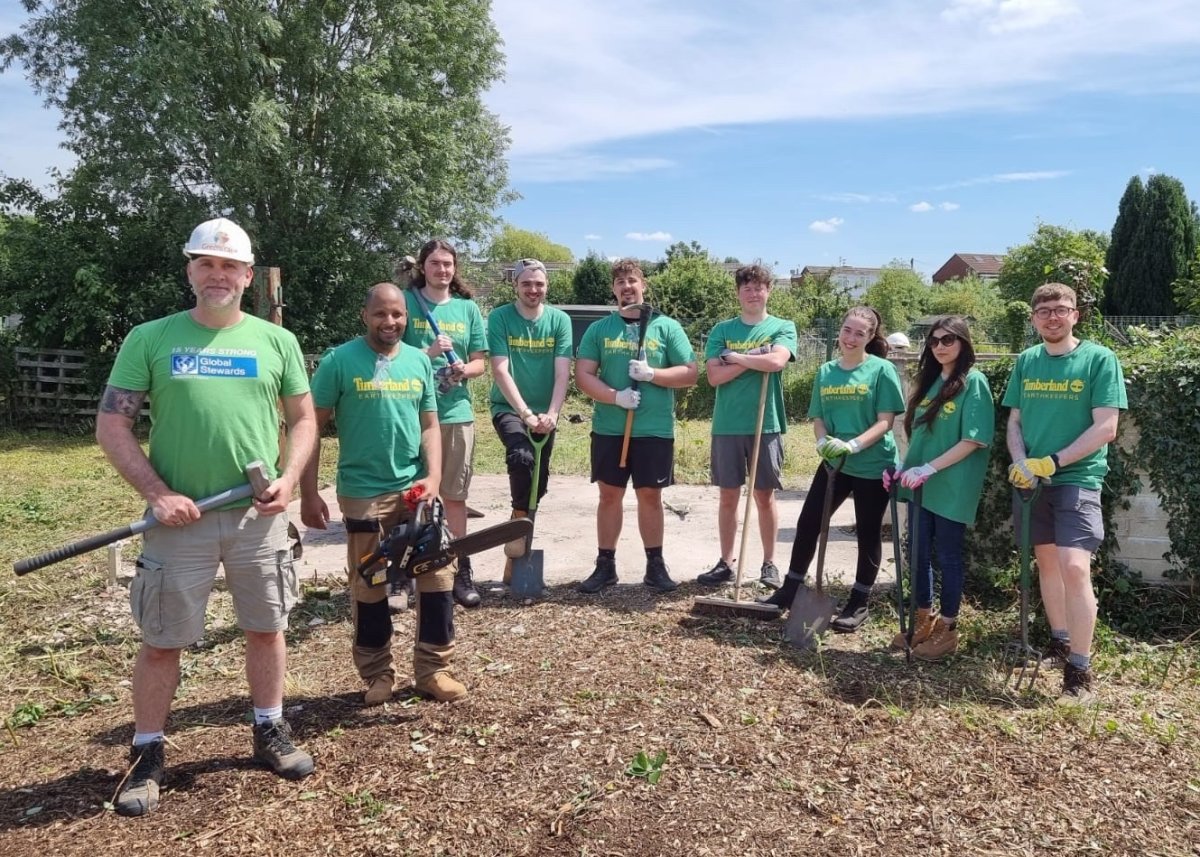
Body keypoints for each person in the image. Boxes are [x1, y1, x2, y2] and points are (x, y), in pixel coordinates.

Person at [95, 218, 317, 817]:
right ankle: (146, 752)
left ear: (248, 276)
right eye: (205, 263)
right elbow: (112, 423)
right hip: (178, 523)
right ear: (190, 270)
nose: (217, 274)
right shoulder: (151, 338)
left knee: (267, 627)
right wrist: (158, 493)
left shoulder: (277, 343)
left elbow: (302, 419)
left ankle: (269, 728)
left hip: (257, 518)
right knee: (163, 639)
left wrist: (290, 479)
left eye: (229, 266)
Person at [299, 282, 464, 706]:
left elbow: (430, 424)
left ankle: (433, 670)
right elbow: (309, 428)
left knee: (437, 577)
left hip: (415, 490)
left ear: (406, 318)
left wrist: (433, 477)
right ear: (365, 315)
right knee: (370, 584)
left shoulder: (417, 362)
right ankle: (377, 674)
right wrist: (308, 492)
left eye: (397, 315)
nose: (389, 322)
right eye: (381, 314)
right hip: (362, 494)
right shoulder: (338, 361)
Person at [1003, 283, 1126, 703]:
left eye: (1061, 309)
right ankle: (1058, 642)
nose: (1052, 317)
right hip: (1035, 482)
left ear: (1076, 314)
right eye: (1043, 311)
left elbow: (1107, 427)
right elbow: (1015, 421)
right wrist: (1022, 462)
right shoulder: (1028, 361)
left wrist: (1053, 462)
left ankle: (1080, 670)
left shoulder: (1098, 359)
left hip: (1077, 479)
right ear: (1034, 318)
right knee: (1048, 564)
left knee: (1075, 567)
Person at [760, 306, 904, 632]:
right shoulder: (826, 371)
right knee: (809, 521)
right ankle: (791, 589)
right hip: (834, 464)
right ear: (839, 331)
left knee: (868, 533)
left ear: (870, 337)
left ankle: (859, 600)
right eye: (847, 330)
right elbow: (819, 417)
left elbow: (886, 422)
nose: (850, 338)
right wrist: (823, 441)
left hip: (871, 463)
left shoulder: (881, 370)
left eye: (859, 333)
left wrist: (853, 445)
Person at [574, 259, 698, 593]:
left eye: (632, 280)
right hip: (610, 428)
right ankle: (605, 565)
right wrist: (615, 397)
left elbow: (690, 372)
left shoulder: (666, 327)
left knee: (650, 495)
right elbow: (583, 375)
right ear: (613, 289)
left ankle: (655, 566)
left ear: (643, 285)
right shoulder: (601, 329)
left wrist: (652, 375)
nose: (627, 287)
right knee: (609, 495)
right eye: (620, 282)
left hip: (654, 429)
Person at [884, 316, 994, 660]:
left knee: (947, 555)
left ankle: (948, 628)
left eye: (948, 340)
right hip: (920, 484)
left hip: (951, 484)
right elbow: (919, 437)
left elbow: (974, 439)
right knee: (917, 552)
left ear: (963, 343)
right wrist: (903, 468)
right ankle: (923, 619)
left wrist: (930, 468)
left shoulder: (973, 383)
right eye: (934, 341)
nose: (941, 347)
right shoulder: (930, 382)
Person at [696, 264, 797, 590]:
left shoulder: (783, 326)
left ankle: (769, 564)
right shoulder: (721, 330)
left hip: (765, 424)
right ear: (738, 293)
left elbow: (777, 362)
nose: (754, 293)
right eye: (747, 288)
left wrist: (734, 357)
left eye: (759, 288)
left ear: (768, 291)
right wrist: (752, 356)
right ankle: (726, 562)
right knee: (728, 496)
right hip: (727, 425)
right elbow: (713, 377)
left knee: (763, 495)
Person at [400, 240, 488, 608]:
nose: (442, 270)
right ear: (423, 266)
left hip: (455, 413)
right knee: (410, 495)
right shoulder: (405, 303)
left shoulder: (468, 308)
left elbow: (480, 362)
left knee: (455, 495)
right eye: (435, 263)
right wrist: (429, 354)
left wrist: (462, 368)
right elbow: (389, 353)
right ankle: (404, 572)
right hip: (410, 413)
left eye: (448, 264)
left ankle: (458, 569)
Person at [487, 259, 573, 585]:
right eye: (527, 284)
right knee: (522, 456)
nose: (533, 290)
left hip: (546, 413)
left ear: (546, 286)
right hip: (509, 407)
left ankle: (519, 533)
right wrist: (525, 413)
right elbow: (500, 369)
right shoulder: (500, 318)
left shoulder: (559, 321)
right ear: (516, 286)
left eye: (539, 284)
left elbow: (562, 371)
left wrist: (552, 414)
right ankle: (519, 523)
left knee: (539, 482)